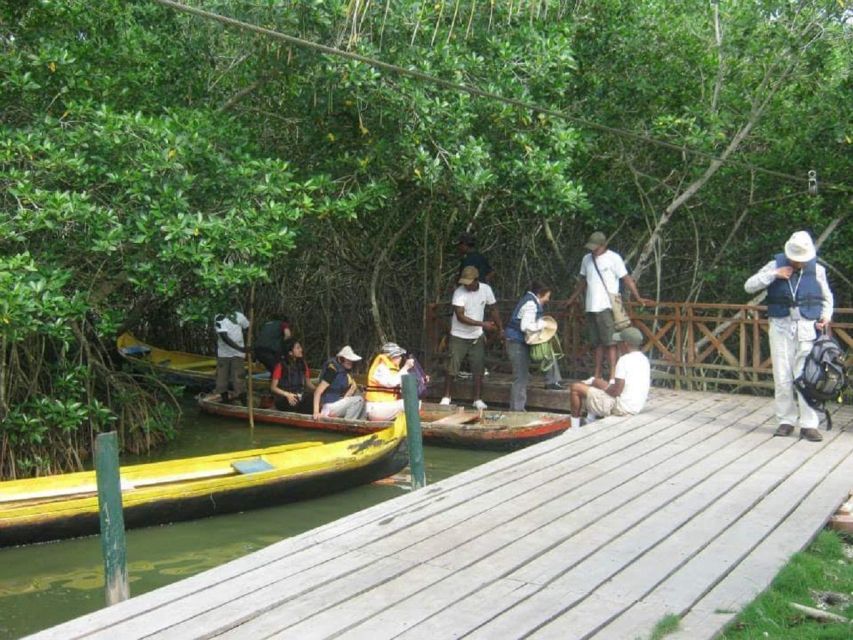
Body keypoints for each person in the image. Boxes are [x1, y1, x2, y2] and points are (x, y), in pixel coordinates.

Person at [744, 231, 833, 442]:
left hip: (808, 328)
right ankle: (786, 421)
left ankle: (809, 425)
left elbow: (827, 298)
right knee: (782, 376)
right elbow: (749, 286)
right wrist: (774, 274)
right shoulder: (774, 265)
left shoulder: (817, 270)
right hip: (781, 326)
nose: (798, 262)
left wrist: (826, 317)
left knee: (807, 377)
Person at [567, 231, 652, 383]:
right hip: (591, 306)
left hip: (607, 306)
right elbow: (583, 281)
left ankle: (613, 376)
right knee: (596, 342)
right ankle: (597, 375)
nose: (593, 250)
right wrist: (572, 298)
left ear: (603, 245)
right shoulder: (587, 259)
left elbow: (627, 279)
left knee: (611, 342)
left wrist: (637, 297)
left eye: (596, 247)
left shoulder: (613, 258)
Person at [440, 266, 503, 411]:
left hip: (476, 335)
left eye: (469, 282)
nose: (466, 285)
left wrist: (500, 328)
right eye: (465, 282)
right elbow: (460, 317)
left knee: (478, 367)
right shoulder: (459, 293)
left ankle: (477, 399)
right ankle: (446, 396)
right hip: (458, 334)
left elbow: (493, 309)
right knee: (452, 366)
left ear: (476, 280)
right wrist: (483, 324)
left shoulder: (486, 289)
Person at [568, 327, 650, 428]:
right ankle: (590, 420)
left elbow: (616, 391)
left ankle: (574, 428)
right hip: (636, 407)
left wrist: (597, 382)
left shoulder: (624, 360)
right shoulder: (644, 359)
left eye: (619, 342)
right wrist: (600, 384)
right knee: (597, 386)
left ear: (625, 344)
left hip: (621, 408)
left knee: (576, 388)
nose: (618, 345)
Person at [505, 282, 564, 411]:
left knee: (548, 354)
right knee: (520, 377)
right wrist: (541, 325)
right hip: (516, 342)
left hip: (520, 341)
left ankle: (552, 381)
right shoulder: (531, 304)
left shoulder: (529, 300)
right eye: (547, 296)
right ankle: (517, 410)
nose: (548, 299)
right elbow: (525, 326)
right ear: (539, 294)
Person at [206, 310, 250, 403]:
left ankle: (245, 403)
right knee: (221, 381)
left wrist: (245, 344)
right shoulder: (219, 317)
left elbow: (248, 327)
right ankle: (226, 402)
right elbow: (224, 336)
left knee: (239, 380)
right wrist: (240, 348)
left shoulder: (239, 315)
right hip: (224, 354)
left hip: (238, 355)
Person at [365, 342, 417, 421]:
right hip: (376, 408)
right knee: (407, 403)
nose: (400, 358)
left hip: (386, 406)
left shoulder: (394, 370)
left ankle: (406, 428)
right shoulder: (380, 368)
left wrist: (421, 379)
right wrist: (406, 367)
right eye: (397, 356)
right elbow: (391, 382)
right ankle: (414, 430)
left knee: (415, 402)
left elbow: (405, 383)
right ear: (390, 357)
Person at [312, 345, 365, 420]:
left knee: (364, 400)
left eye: (351, 360)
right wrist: (316, 412)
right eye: (348, 359)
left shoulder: (345, 372)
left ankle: (359, 426)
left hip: (337, 404)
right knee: (359, 400)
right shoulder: (332, 370)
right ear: (341, 359)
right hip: (328, 407)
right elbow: (317, 392)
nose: (351, 362)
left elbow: (351, 389)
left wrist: (351, 390)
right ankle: (347, 426)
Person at [270, 338, 314, 413]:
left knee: (314, 397)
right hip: (284, 398)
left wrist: (318, 390)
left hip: (299, 396)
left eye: (300, 347)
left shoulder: (303, 364)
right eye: (298, 348)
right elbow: (273, 388)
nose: (301, 350)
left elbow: (308, 383)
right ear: (290, 352)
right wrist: (287, 394)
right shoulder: (280, 366)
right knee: (294, 402)